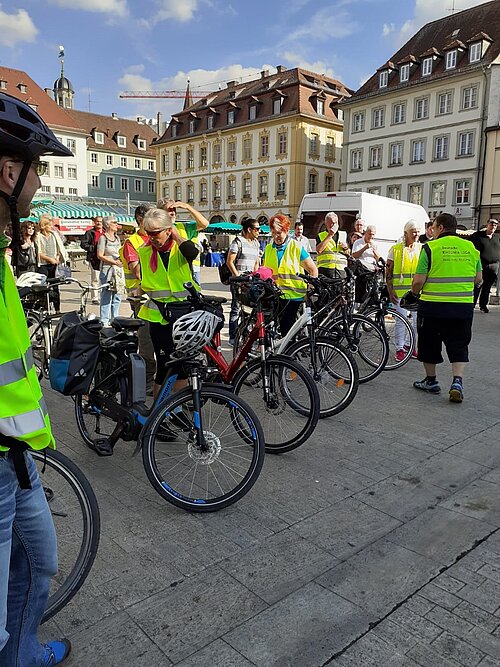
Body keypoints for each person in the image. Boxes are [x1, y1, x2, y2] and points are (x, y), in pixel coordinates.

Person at [0, 91, 73, 665]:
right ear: (8, 170)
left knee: (39, 560)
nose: (39, 184)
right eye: (37, 170)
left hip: (15, 453)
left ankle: (22, 653)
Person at [137, 203, 208, 398]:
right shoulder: (145, 251)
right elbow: (148, 280)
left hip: (183, 314)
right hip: (159, 317)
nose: (152, 238)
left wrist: (176, 235)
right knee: (163, 367)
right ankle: (160, 412)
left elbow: (192, 253)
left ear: (168, 230)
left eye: (156, 233)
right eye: (148, 233)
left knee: (183, 366)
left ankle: (179, 408)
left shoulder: (181, 248)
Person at [411, 213, 482, 403]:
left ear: (441, 228)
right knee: (459, 344)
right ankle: (457, 382)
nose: (432, 231)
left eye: (433, 227)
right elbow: (479, 279)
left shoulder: (430, 248)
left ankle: (431, 381)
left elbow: (418, 281)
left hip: (433, 307)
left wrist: (415, 292)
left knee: (429, 344)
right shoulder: (471, 248)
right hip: (462, 307)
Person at [119, 202, 156, 389]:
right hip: (140, 299)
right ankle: (148, 381)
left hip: (156, 296)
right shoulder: (132, 243)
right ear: (140, 220)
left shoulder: (154, 238)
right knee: (147, 339)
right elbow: (139, 273)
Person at [263, 214, 318, 336]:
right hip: (276, 295)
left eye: (279, 233)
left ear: (286, 231)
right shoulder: (268, 249)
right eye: (273, 233)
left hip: (294, 296)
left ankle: (288, 352)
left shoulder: (296, 247)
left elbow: (313, 270)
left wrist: (311, 288)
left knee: (287, 328)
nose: (276, 236)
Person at [386, 220, 421, 361]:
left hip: (415, 291)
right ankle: (399, 348)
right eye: (413, 231)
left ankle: (409, 345)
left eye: (418, 231)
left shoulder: (421, 248)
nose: (417, 234)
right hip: (399, 292)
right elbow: (388, 272)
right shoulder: (395, 249)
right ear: (406, 233)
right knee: (401, 321)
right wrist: (390, 289)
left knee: (416, 321)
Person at [226, 218, 261, 344]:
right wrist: (238, 278)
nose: (259, 231)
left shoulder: (257, 243)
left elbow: (256, 262)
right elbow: (229, 262)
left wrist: (256, 277)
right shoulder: (238, 242)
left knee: (250, 309)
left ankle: (245, 333)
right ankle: (233, 336)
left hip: (251, 281)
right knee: (236, 307)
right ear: (249, 230)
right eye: (256, 229)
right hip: (239, 281)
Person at [35, 214, 68, 314]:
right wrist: (49, 259)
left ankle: (57, 309)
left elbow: (59, 248)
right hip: (43, 264)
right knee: (43, 286)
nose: (52, 227)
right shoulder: (38, 236)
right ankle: (44, 308)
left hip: (54, 265)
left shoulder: (54, 235)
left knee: (55, 286)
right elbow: (38, 253)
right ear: (44, 226)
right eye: (49, 225)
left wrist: (57, 258)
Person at [96, 216, 123, 325]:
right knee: (107, 294)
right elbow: (100, 255)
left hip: (117, 270)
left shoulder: (117, 238)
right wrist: (113, 261)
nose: (117, 224)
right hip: (107, 270)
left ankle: (115, 318)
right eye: (114, 222)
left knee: (118, 294)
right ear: (108, 225)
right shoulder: (103, 238)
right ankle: (104, 320)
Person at [470, 218, 500, 313]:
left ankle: (483, 305)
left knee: (487, 287)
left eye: (495, 225)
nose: (493, 227)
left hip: (494, 266)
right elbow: (470, 246)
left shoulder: (497, 237)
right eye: (491, 224)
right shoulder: (478, 236)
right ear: (487, 225)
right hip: (481, 265)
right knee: (478, 285)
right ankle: (472, 304)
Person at [351, 225, 381, 304]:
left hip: (371, 273)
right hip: (361, 273)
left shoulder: (375, 244)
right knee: (360, 295)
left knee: (372, 294)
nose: (371, 236)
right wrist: (365, 248)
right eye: (370, 234)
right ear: (366, 233)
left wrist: (375, 252)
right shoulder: (358, 242)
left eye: (373, 235)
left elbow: (378, 259)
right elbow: (354, 255)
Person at [315, 212, 349, 277]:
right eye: (332, 223)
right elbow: (319, 250)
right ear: (326, 223)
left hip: (341, 270)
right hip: (325, 269)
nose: (334, 225)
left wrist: (346, 248)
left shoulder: (343, 234)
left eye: (336, 223)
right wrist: (330, 235)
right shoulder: (321, 235)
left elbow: (348, 253)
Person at [81, 216, 103, 304]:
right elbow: (83, 244)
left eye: (100, 221)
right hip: (94, 258)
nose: (99, 223)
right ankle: (95, 298)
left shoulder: (106, 232)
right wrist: (93, 248)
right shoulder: (89, 233)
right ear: (94, 222)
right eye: (97, 221)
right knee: (95, 278)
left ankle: (103, 296)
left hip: (105, 259)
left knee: (105, 279)